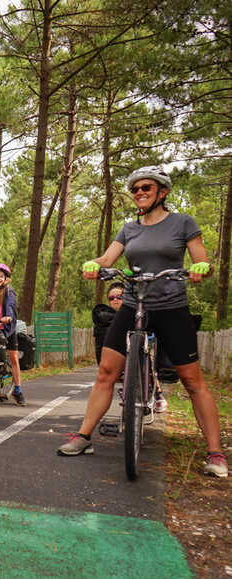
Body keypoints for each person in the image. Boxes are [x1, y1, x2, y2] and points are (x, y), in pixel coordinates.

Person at [57, 165, 226, 478]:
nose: (139, 193)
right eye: (135, 189)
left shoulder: (183, 223)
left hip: (171, 305)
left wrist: (201, 267)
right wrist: (93, 264)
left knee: (191, 380)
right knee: (107, 370)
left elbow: (200, 258)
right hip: (134, 303)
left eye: (146, 188)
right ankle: (83, 436)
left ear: (162, 192)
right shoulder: (129, 228)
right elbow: (108, 259)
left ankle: (215, 453)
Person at [93, 282, 168, 413]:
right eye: (111, 298)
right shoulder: (105, 317)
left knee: (146, 356)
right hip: (117, 359)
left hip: (137, 352)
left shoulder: (139, 313)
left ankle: (158, 393)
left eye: (119, 297)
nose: (115, 300)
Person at [0, 264, 26, 405]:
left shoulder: (9, 292)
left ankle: (18, 390)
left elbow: (10, 305)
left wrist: (8, 316)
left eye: (1, 276)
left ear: (6, 279)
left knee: (13, 358)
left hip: (8, 329)